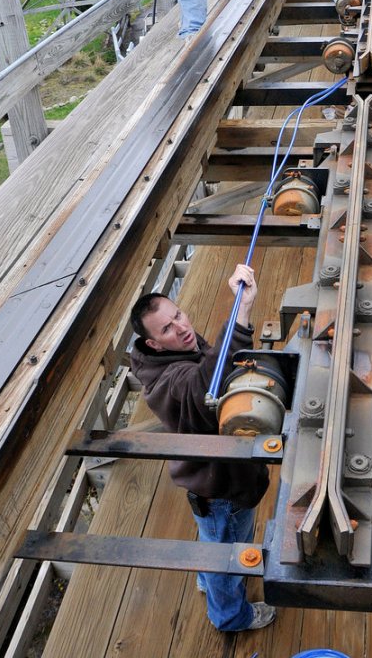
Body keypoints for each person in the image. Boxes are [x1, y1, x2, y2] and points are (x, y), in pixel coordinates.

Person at [129, 263, 276, 632]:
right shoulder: (168, 381)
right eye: (167, 328)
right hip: (221, 488)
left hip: (208, 482)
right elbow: (203, 385)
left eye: (178, 315)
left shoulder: (176, 352)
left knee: (213, 539)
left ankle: (207, 574)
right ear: (153, 343)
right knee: (228, 554)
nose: (182, 327)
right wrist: (240, 312)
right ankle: (231, 616)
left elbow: (211, 368)